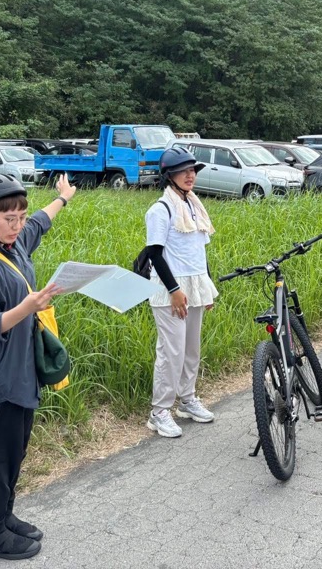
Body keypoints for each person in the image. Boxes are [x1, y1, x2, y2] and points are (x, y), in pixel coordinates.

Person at [0, 173, 76, 560]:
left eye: (21, 216)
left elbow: (41, 221)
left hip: (22, 368)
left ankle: (4, 517)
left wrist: (63, 198)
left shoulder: (16, 243)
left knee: (16, 448)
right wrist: (29, 306)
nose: (19, 225)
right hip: (0, 373)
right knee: (0, 455)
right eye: (10, 218)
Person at [142, 146, 218, 439]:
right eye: (183, 171)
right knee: (171, 351)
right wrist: (174, 290)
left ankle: (187, 399)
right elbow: (155, 254)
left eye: (193, 170)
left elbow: (199, 252)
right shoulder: (160, 210)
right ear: (169, 175)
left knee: (191, 349)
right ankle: (159, 411)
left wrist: (206, 288)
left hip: (194, 285)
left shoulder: (194, 205)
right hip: (170, 288)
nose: (190, 175)